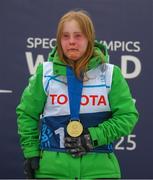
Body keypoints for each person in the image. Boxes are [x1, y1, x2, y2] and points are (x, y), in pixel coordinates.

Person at [16, 10, 139, 179]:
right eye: (65, 36)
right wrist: (31, 151)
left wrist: (92, 137)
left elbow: (127, 116)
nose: (71, 42)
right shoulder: (45, 72)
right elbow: (27, 114)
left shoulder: (110, 73)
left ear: (89, 38)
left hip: (99, 171)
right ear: (59, 40)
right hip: (52, 171)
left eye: (78, 36)